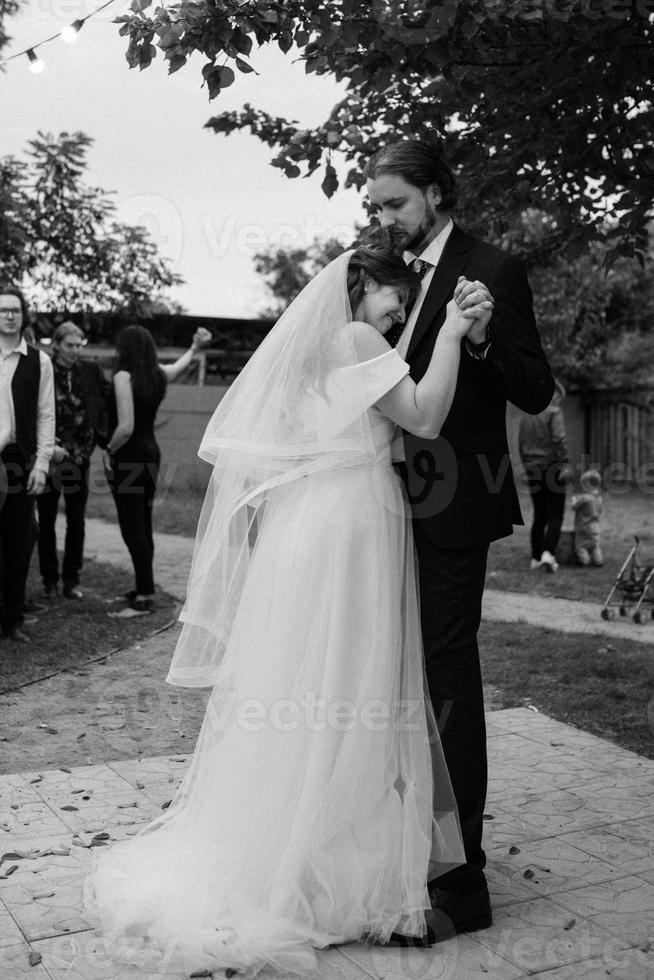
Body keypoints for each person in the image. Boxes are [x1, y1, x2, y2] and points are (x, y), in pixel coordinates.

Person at [83, 245, 494, 976]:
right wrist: (455, 336)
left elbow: (385, 395)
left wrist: (427, 339)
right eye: (395, 297)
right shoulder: (357, 338)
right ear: (360, 289)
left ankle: (293, 842)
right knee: (348, 682)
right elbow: (425, 416)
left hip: (310, 527)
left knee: (307, 683)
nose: (402, 313)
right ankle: (324, 857)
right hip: (349, 530)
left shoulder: (316, 353)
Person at [364, 139, 554, 939]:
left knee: (446, 679)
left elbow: (535, 389)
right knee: (385, 676)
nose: (383, 217)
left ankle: (463, 880)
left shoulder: (494, 268)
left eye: (395, 204)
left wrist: (476, 337)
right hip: (374, 507)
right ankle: (399, 843)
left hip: (453, 507)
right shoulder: (382, 273)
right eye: (376, 206)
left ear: (438, 194)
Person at [104, 324, 211, 615]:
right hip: (151, 451)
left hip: (128, 456)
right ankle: (142, 588)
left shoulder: (123, 377)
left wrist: (108, 450)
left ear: (124, 349)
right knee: (143, 522)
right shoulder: (157, 375)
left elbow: (125, 427)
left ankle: (144, 596)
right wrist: (194, 347)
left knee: (132, 526)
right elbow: (178, 366)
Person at [36, 322, 109, 601]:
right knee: (47, 520)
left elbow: (105, 402)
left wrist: (99, 438)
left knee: (76, 521)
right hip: (51, 454)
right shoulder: (44, 369)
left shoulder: (90, 371)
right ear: (56, 345)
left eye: (80, 345)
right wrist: (45, 446)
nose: (76, 350)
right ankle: (49, 580)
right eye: (70, 345)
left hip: (80, 457)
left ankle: (71, 580)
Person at [0, 285, 55, 643]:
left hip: (19, 461)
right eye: (2, 310)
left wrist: (42, 464)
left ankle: (12, 619)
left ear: (24, 315)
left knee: (18, 541)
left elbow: (46, 415)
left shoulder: (39, 361)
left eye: (14, 310)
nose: (8, 315)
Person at [518, 379, 572, 573]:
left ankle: (535, 557)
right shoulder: (554, 412)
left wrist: (526, 465)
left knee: (539, 514)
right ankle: (549, 554)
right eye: (560, 396)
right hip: (552, 467)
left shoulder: (527, 414)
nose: (560, 400)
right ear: (555, 394)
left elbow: (521, 443)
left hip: (532, 467)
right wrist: (564, 462)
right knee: (555, 514)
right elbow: (559, 438)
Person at [571, 469, 603, 567]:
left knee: (580, 546)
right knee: (594, 545)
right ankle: (599, 561)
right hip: (596, 527)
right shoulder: (599, 498)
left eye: (583, 485)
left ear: (587, 484)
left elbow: (574, 507)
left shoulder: (585, 498)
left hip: (584, 527)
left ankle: (584, 560)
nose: (583, 487)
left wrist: (573, 500)